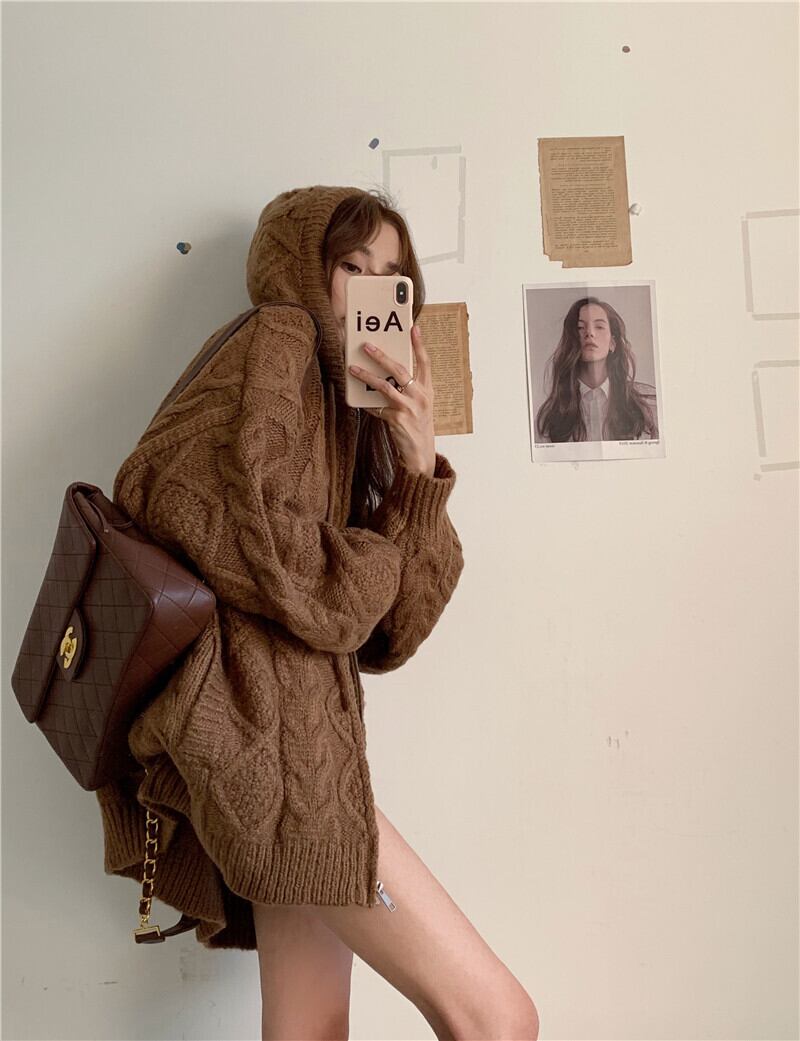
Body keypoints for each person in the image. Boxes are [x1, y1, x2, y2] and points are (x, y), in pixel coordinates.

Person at [95, 185, 539, 1041]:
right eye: (351, 266)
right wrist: (369, 561)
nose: (372, 292)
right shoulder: (278, 339)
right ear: (305, 267)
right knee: (498, 1018)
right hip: (265, 753)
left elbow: (386, 635)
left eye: (392, 276)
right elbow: (264, 550)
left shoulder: (341, 407)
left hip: (292, 757)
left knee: (309, 1030)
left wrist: (417, 470)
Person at [536, 296, 659, 443]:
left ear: (612, 343)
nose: (590, 333)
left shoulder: (646, 405)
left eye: (599, 327)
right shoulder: (550, 416)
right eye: (580, 328)